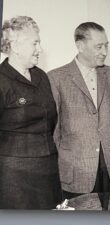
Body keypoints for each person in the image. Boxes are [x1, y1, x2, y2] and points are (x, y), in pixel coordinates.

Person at [48, 22, 110, 199]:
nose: (105, 52)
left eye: (106, 45)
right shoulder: (56, 78)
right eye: (99, 46)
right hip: (77, 171)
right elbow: (54, 129)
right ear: (80, 46)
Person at [0, 16, 62, 209]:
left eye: (39, 42)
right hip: (15, 176)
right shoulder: (2, 80)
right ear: (15, 46)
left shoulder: (41, 76)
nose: (40, 49)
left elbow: (51, 120)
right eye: (35, 43)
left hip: (49, 168)